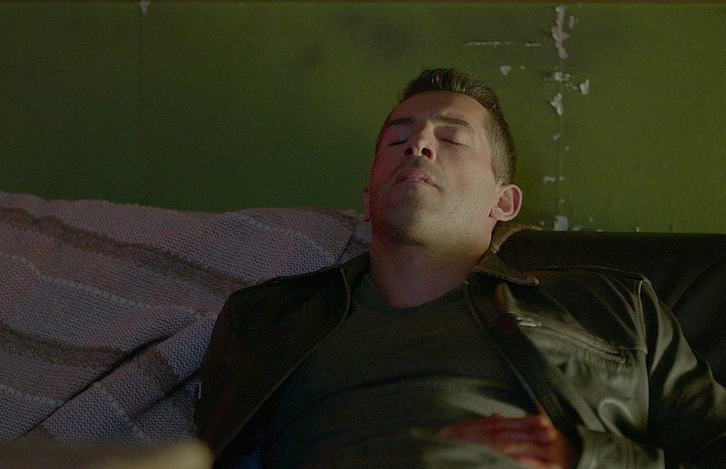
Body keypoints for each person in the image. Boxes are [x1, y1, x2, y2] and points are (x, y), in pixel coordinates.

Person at [194, 68, 726, 468]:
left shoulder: (614, 309)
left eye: (450, 138)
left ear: (504, 202)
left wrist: (583, 458)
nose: (418, 144)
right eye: (396, 140)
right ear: (369, 200)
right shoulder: (265, 318)